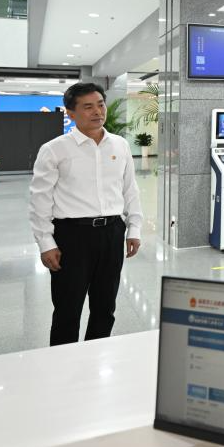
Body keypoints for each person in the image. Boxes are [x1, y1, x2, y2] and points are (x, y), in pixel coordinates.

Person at [28, 83, 143, 346]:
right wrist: (46, 243)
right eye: (88, 107)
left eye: (100, 104)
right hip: (72, 236)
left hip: (112, 232)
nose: (97, 111)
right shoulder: (55, 149)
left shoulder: (120, 145)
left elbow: (130, 189)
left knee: (105, 308)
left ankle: (95, 359)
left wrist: (134, 229)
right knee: (68, 311)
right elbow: (39, 199)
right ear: (71, 113)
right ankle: (63, 363)